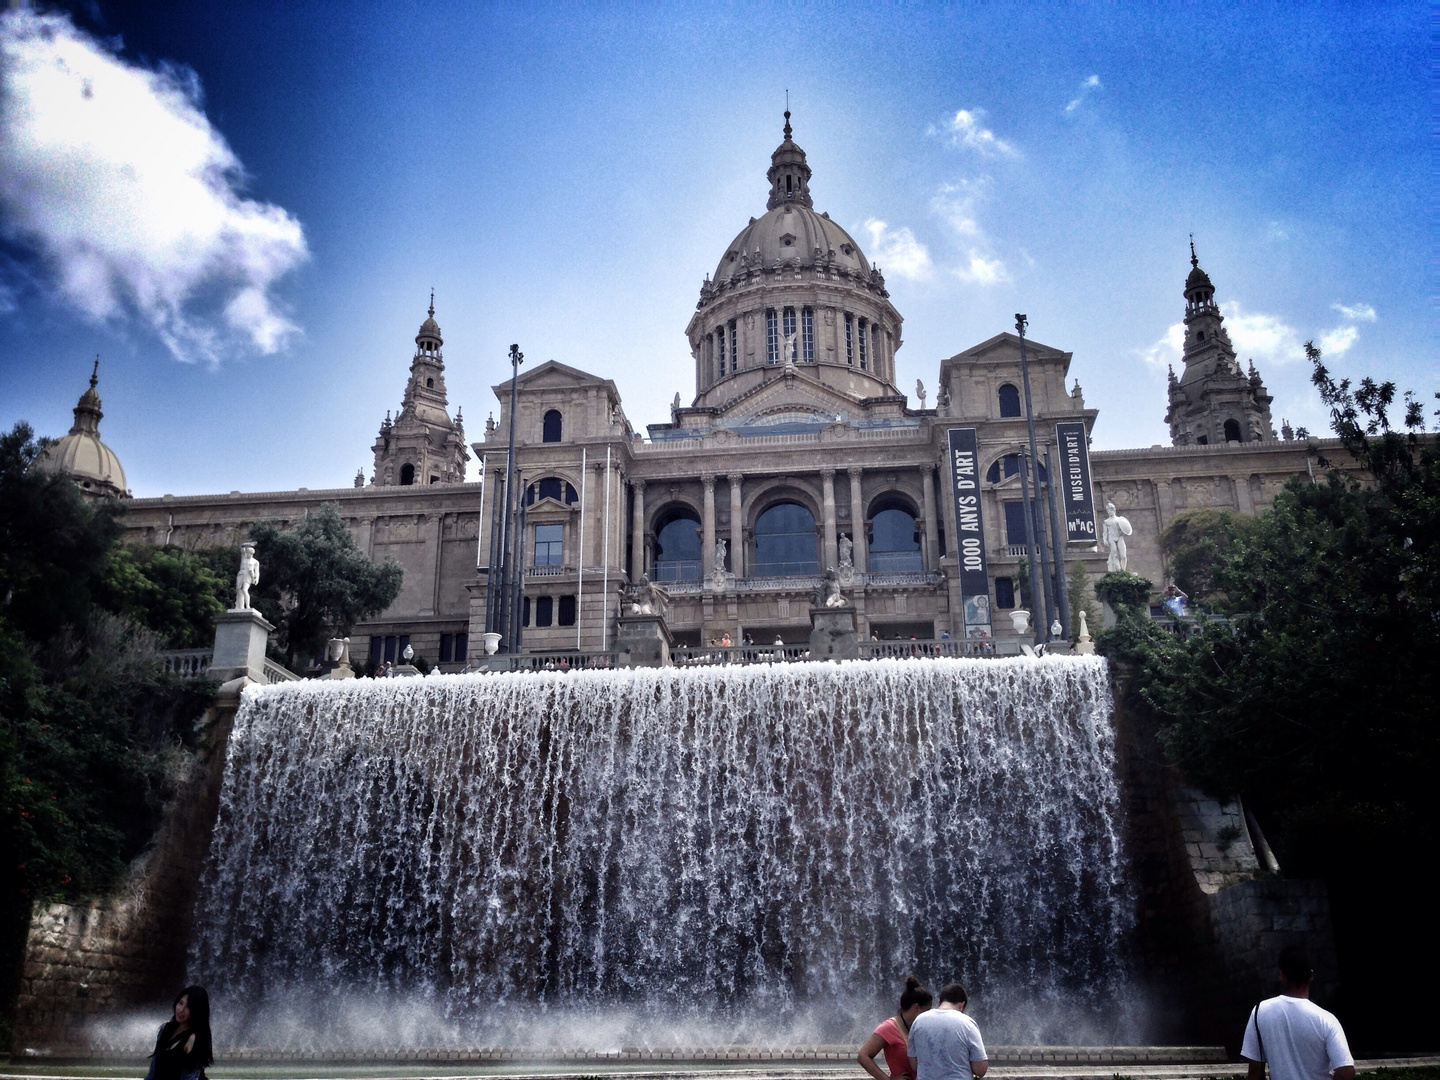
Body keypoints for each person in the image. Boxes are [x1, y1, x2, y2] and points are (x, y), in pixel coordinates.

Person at [1242, 947, 1353, 1080]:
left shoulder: (1260, 1012)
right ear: (1311, 975)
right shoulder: (1327, 1020)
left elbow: (1255, 1071)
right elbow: (1346, 1071)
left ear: (1282, 976)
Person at [907, 982, 987, 1080]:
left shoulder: (918, 1021)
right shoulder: (967, 1023)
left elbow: (914, 1065)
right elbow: (980, 1069)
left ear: (939, 1003)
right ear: (961, 1005)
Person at [859, 976, 933, 1080]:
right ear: (916, 1007)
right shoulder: (889, 1027)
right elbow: (863, 1056)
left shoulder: (922, 1027)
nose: (930, 1015)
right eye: (927, 1010)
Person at [147, 986, 213, 1080]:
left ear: (197, 1010)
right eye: (180, 1003)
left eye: (188, 1007)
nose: (181, 1010)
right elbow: (153, 1070)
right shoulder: (165, 1029)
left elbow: (190, 1077)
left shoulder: (193, 1039)